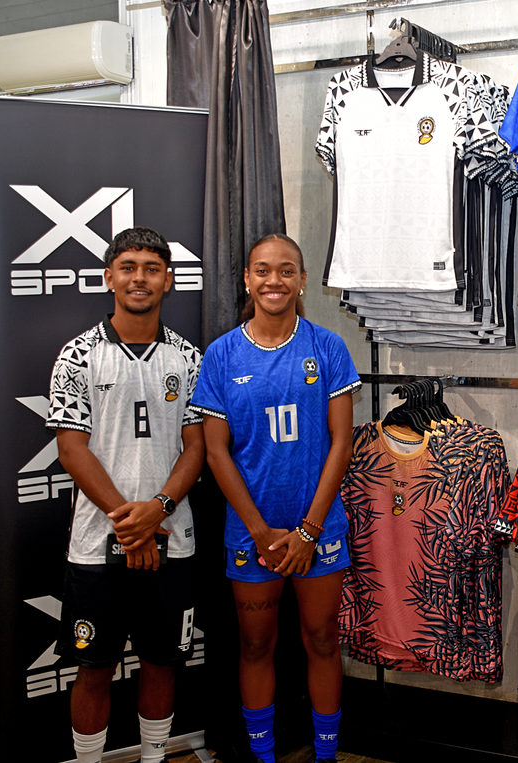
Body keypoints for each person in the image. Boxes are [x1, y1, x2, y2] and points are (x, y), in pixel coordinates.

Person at [191, 233, 360, 763]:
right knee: (255, 646)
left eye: (286, 270)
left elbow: (341, 443)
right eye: (262, 270)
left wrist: (308, 530)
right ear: (247, 279)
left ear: (302, 280)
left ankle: (326, 755)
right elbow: (215, 452)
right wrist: (261, 532)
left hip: (319, 530)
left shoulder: (327, 347)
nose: (274, 280)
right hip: (251, 535)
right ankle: (263, 757)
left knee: (323, 641)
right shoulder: (222, 354)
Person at [47, 227, 204, 763]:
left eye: (152, 268)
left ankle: (155, 759)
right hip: (97, 545)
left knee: (162, 664)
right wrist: (129, 523)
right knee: (92, 670)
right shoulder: (78, 355)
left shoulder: (188, 357)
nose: (140, 278)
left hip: (172, 538)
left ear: (169, 280)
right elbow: (72, 450)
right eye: (129, 267)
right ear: (108, 277)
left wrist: (157, 510)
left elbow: (197, 447)